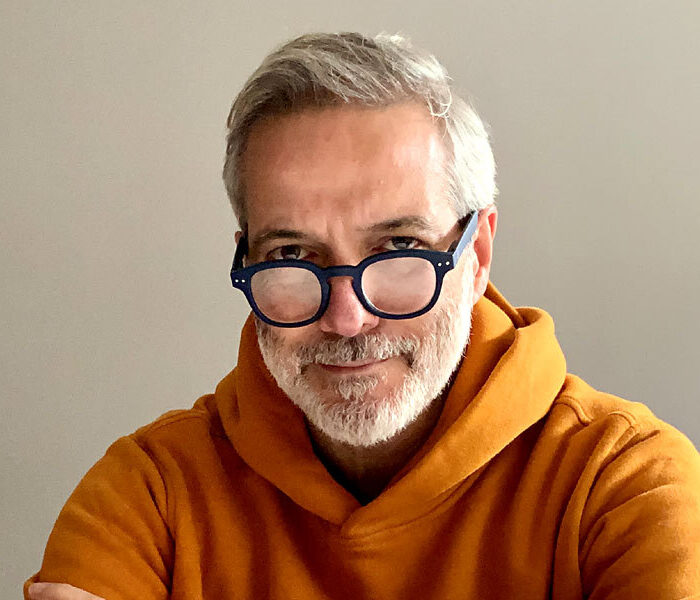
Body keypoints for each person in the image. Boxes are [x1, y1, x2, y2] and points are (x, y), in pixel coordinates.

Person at [26, 32, 700, 600]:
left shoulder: (625, 483)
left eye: (399, 248)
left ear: (477, 256)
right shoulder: (151, 493)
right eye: (293, 254)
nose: (347, 318)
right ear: (247, 257)